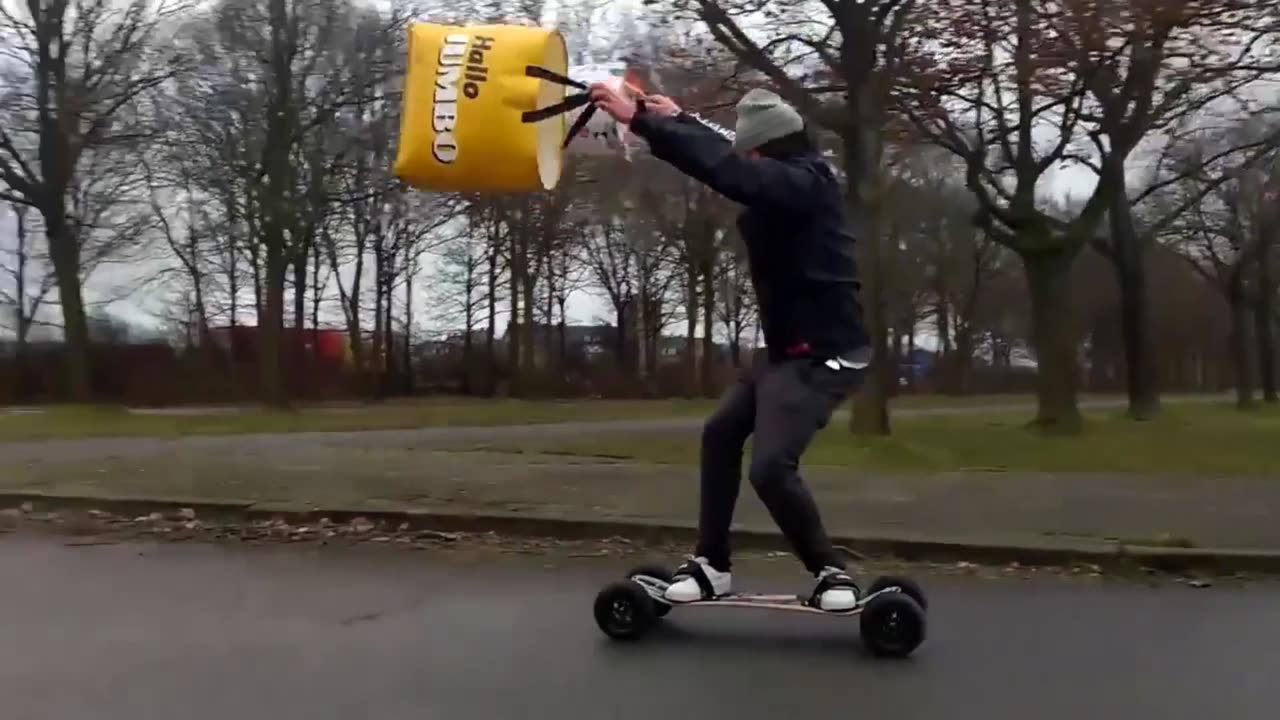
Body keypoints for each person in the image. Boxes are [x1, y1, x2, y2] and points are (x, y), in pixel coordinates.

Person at [588, 82, 871, 612]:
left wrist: (644, 124)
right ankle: (712, 564)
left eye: (754, 149)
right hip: (788, 350)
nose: (748, 155)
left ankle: (832, 573)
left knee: (770, 468)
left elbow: (731, 168)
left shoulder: (804, 184)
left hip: (826, 354)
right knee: (720, 435)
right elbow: (731, 151)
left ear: (769, 149)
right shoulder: (787, 167)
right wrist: (678, 117)